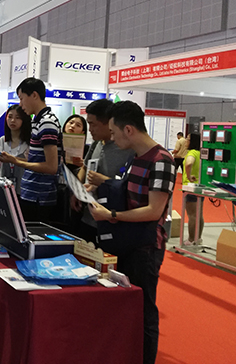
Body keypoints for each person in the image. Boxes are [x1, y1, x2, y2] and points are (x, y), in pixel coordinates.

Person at [88, 101, 176, 364]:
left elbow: (153, 211)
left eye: (114, 132)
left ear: (128, 130)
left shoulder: (161, 161)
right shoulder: (135, 157)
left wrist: (111, 215)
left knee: (144, 310)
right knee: (127, 306)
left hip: (146, 248)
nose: (112, 138)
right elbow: (125, 192)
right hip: (127, 242)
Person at [0, 77, 62, 223]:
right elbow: (35, 160)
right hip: (31, 193)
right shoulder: (38, 121)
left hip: (40, 197)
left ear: (34, 95)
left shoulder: (47, 122)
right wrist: (11, 159)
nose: (21, 104)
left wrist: (16, 161)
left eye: (22, 99)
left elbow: (51, 167)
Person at [72, 98, 135, 243]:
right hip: (88, 215)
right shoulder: (96, 143)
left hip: (110, 218)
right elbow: (85, 167)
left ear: (108, 123)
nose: (90, 129)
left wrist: (104, 182)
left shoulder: (128, 149)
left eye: (93, 124)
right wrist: (77, 191)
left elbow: (128, 187)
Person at [182, 133, 202, 245]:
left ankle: (191, 239)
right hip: (199, 186)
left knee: (192, 215)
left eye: (188, 139)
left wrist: (189, 176)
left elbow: (189, 163)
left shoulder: (192, 153)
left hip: (190, 187)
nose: (186, 140)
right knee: (199, 214)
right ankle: (198, 238)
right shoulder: (200, 153)